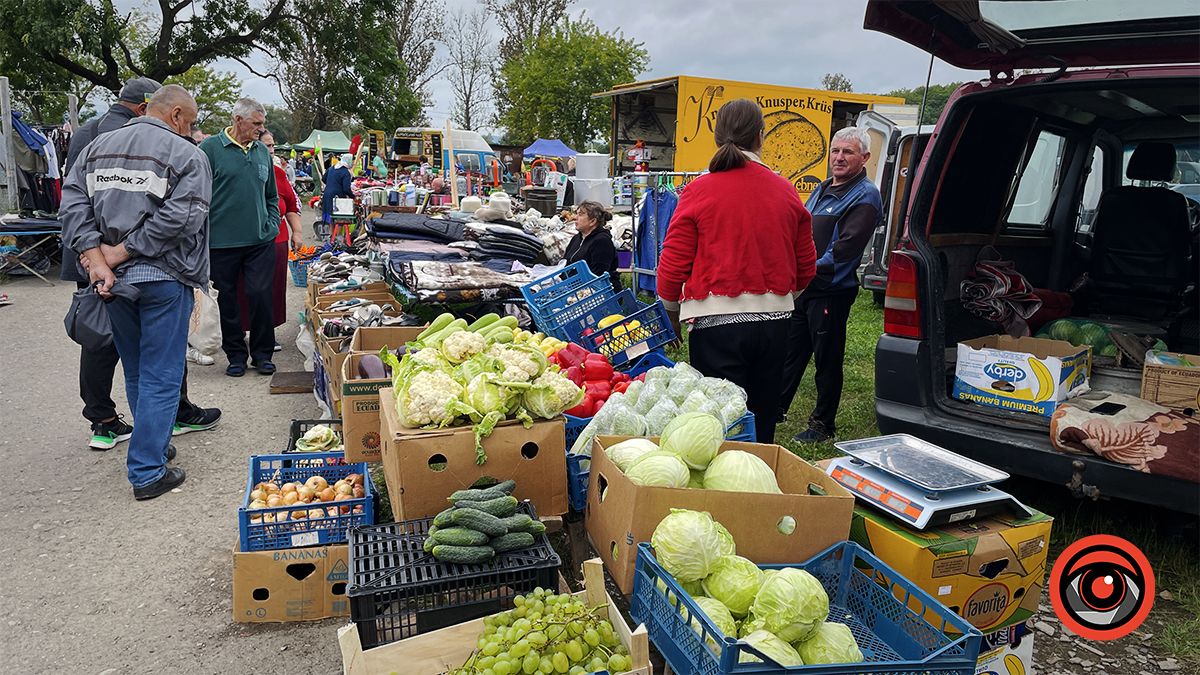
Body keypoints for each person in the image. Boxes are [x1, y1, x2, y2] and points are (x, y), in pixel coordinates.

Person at [60, 85, 211, 500]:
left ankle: (155, 444)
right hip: (163, 277)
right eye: (191, 121)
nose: (191, 129)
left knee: (137, 369)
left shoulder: (97, 147)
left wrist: (97, 257)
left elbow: (72, 204)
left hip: (114, 283)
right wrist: (120, 251)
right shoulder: (188, 155)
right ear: (177, 114)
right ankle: (147, 471)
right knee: (162, 374)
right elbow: (183, 217)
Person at [657, 98, 816, 444]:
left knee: (718, 423)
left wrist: (670, 313)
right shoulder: (786, 190)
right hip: (776, 325)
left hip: (716, 327)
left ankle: (723, 493)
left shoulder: (698, 191)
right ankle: (759, 482)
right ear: (761, 136)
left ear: (717, 138)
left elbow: (673, 264)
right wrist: (779, 298)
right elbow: (806, 267)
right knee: (762, 418)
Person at [779, 126, 881, 442]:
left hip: (830, 292)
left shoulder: (865, 196)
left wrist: (802, 267)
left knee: (827, 358)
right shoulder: (823, 188)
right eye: (835, 151)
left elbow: (844, 252)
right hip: (804, 288)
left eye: (847, 152)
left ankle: (822, 425)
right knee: (790, 352)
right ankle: (775, 408)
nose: (839, 158)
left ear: (864, 157)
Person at [200, 98, 280, 377]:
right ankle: (235, 355)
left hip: (260, 240)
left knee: (260, 295)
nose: (261, 129)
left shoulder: (261, 152)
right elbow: (197, 194)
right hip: (221, 243)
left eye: (262, 123)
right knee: (228, 301)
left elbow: (271, 194)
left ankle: (262, 354)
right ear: (238, 120)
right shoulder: (210, 149)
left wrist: (272, 224)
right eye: (256, 123)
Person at [236, 131, 302, 337]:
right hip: (243, 240)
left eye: (273, 146)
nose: (271, 151)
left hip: (276, 240)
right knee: (243, 289)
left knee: (271, 288)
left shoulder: (279, 174)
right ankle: (241, 331)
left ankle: (266, 334)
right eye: (267, 146)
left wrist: (297, 232)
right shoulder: (239, 171)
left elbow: (291, 206)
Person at [565, 201, 621, 291]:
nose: (575, 218)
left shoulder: (602, 241)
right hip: (574, 289)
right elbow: (565, 263)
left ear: (592, 221)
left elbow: (599, 273)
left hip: (601, 293)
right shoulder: (576, 238)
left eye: (580, 214)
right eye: (576, 214)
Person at [321, 153, 354, 223]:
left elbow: (323, 178)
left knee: (330, 217)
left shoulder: (332, 168)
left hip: (327, 194)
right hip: (337, 197)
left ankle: (331, 233)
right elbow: (346, 189)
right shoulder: (345, 172)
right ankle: (338, 233)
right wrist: (353, 196)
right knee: (339, 219)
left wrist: (331, 184)